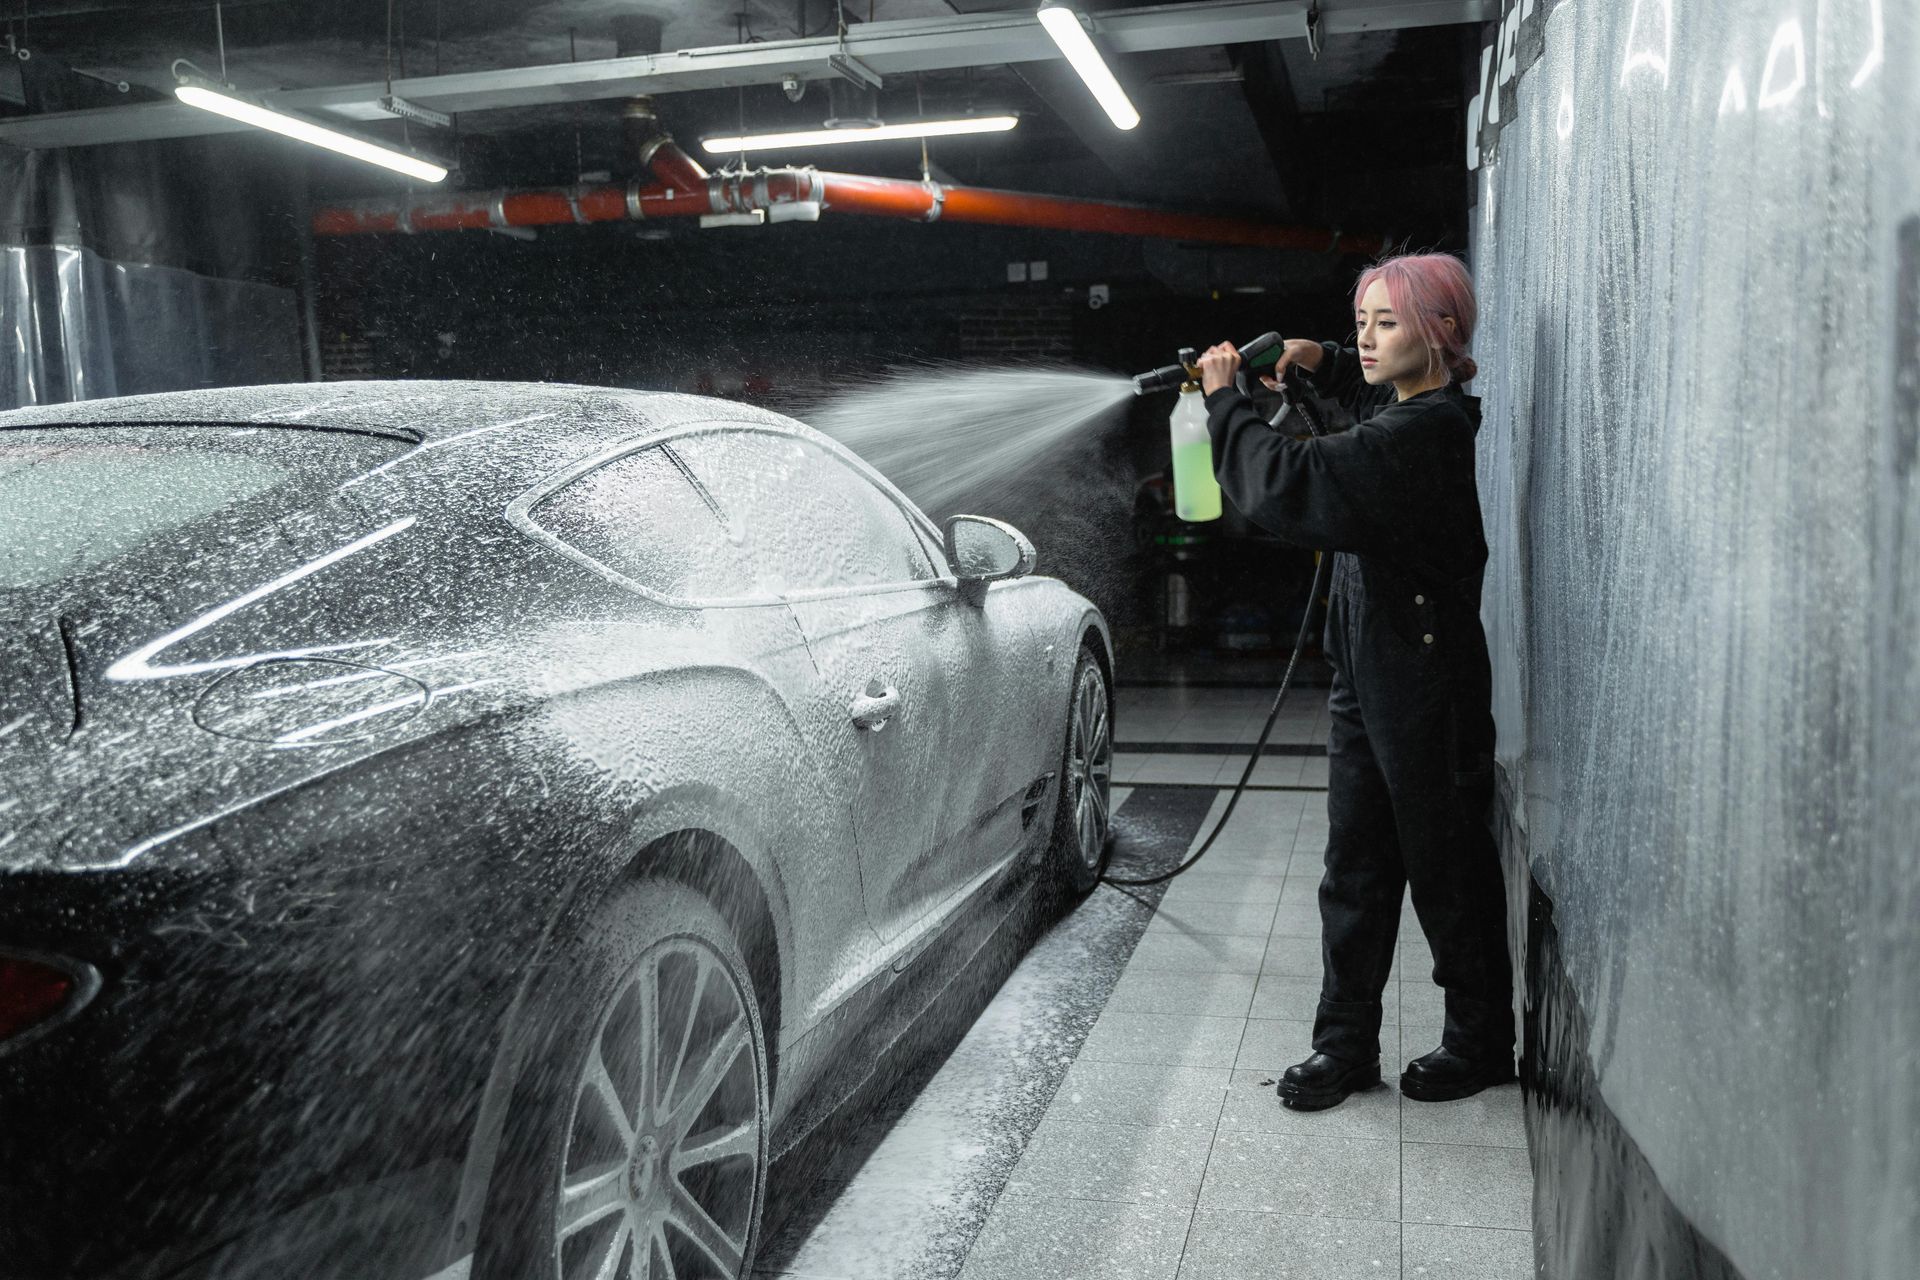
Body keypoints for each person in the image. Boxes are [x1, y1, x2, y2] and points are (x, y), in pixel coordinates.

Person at [1194, 251, 1514, 1111]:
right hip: (1367, 674)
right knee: (1356, 869)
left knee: (1445, 867)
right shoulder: (1399, 402)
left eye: (1387, 324)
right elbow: (1358, 387)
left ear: (1441, 332)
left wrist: (1228, 402)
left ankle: (1481, 1042)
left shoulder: (1425, 432)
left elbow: (1292, 482)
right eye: (1361, 321)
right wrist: (1316, 356)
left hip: (1426, 678)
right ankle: (1344, 1047)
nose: (1366, 340)